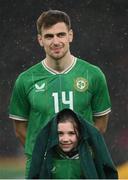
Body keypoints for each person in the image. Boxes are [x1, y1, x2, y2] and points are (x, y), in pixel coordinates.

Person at [9, 10, 111, 176]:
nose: (56, 41)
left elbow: (101, 123)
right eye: (49, 36)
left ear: (70, 36)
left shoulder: (93, 74)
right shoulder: (26, 79)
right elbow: (20, 128)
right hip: (41, 167)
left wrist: (80, 150)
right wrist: (42, 152)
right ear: (40, 40)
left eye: (61, 34)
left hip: (83, 165)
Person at [28, 109, 118, 179]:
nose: (65, 139)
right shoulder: (46, 158)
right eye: (60, 133)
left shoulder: (91, 157)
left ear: (80, 134)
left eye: (71, 133)